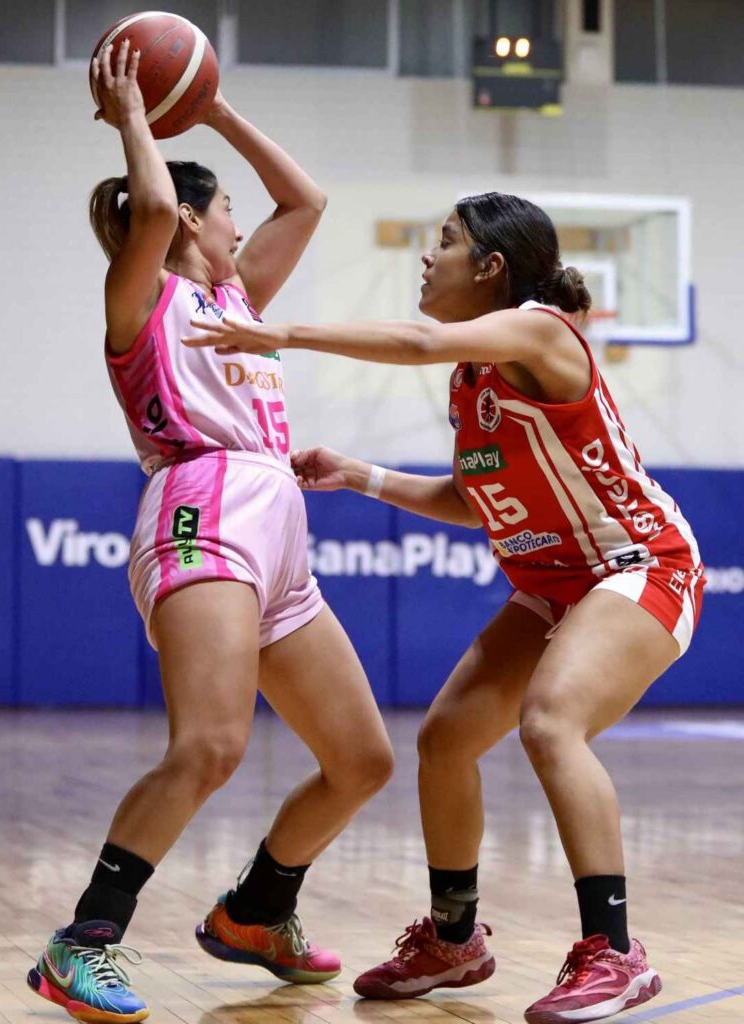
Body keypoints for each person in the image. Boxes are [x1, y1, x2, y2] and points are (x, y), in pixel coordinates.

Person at [185, 191, 705, 1023]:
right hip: (553, 584)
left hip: (639, 562)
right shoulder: (472, 379)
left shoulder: (540, 330)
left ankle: (614, 952)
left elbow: (419, 341)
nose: (427, 257)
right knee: (446, 739)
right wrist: (360, 475)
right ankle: (453, 939)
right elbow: (474, 500)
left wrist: (281, 332)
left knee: (550, 722)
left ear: (490, 267)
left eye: (445, 242)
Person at [27, 40, 394, 1024]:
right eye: (227, 207)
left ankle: (255, 911)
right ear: (192, 218)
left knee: (361, 758)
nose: (241, 221)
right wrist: (136, 119)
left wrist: (214, 106)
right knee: (211, 744)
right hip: (203, 507)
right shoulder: (142, 291)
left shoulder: (238, 302)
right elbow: (151, 210)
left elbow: (306, 201)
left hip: (276, 532)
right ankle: (82, 941)